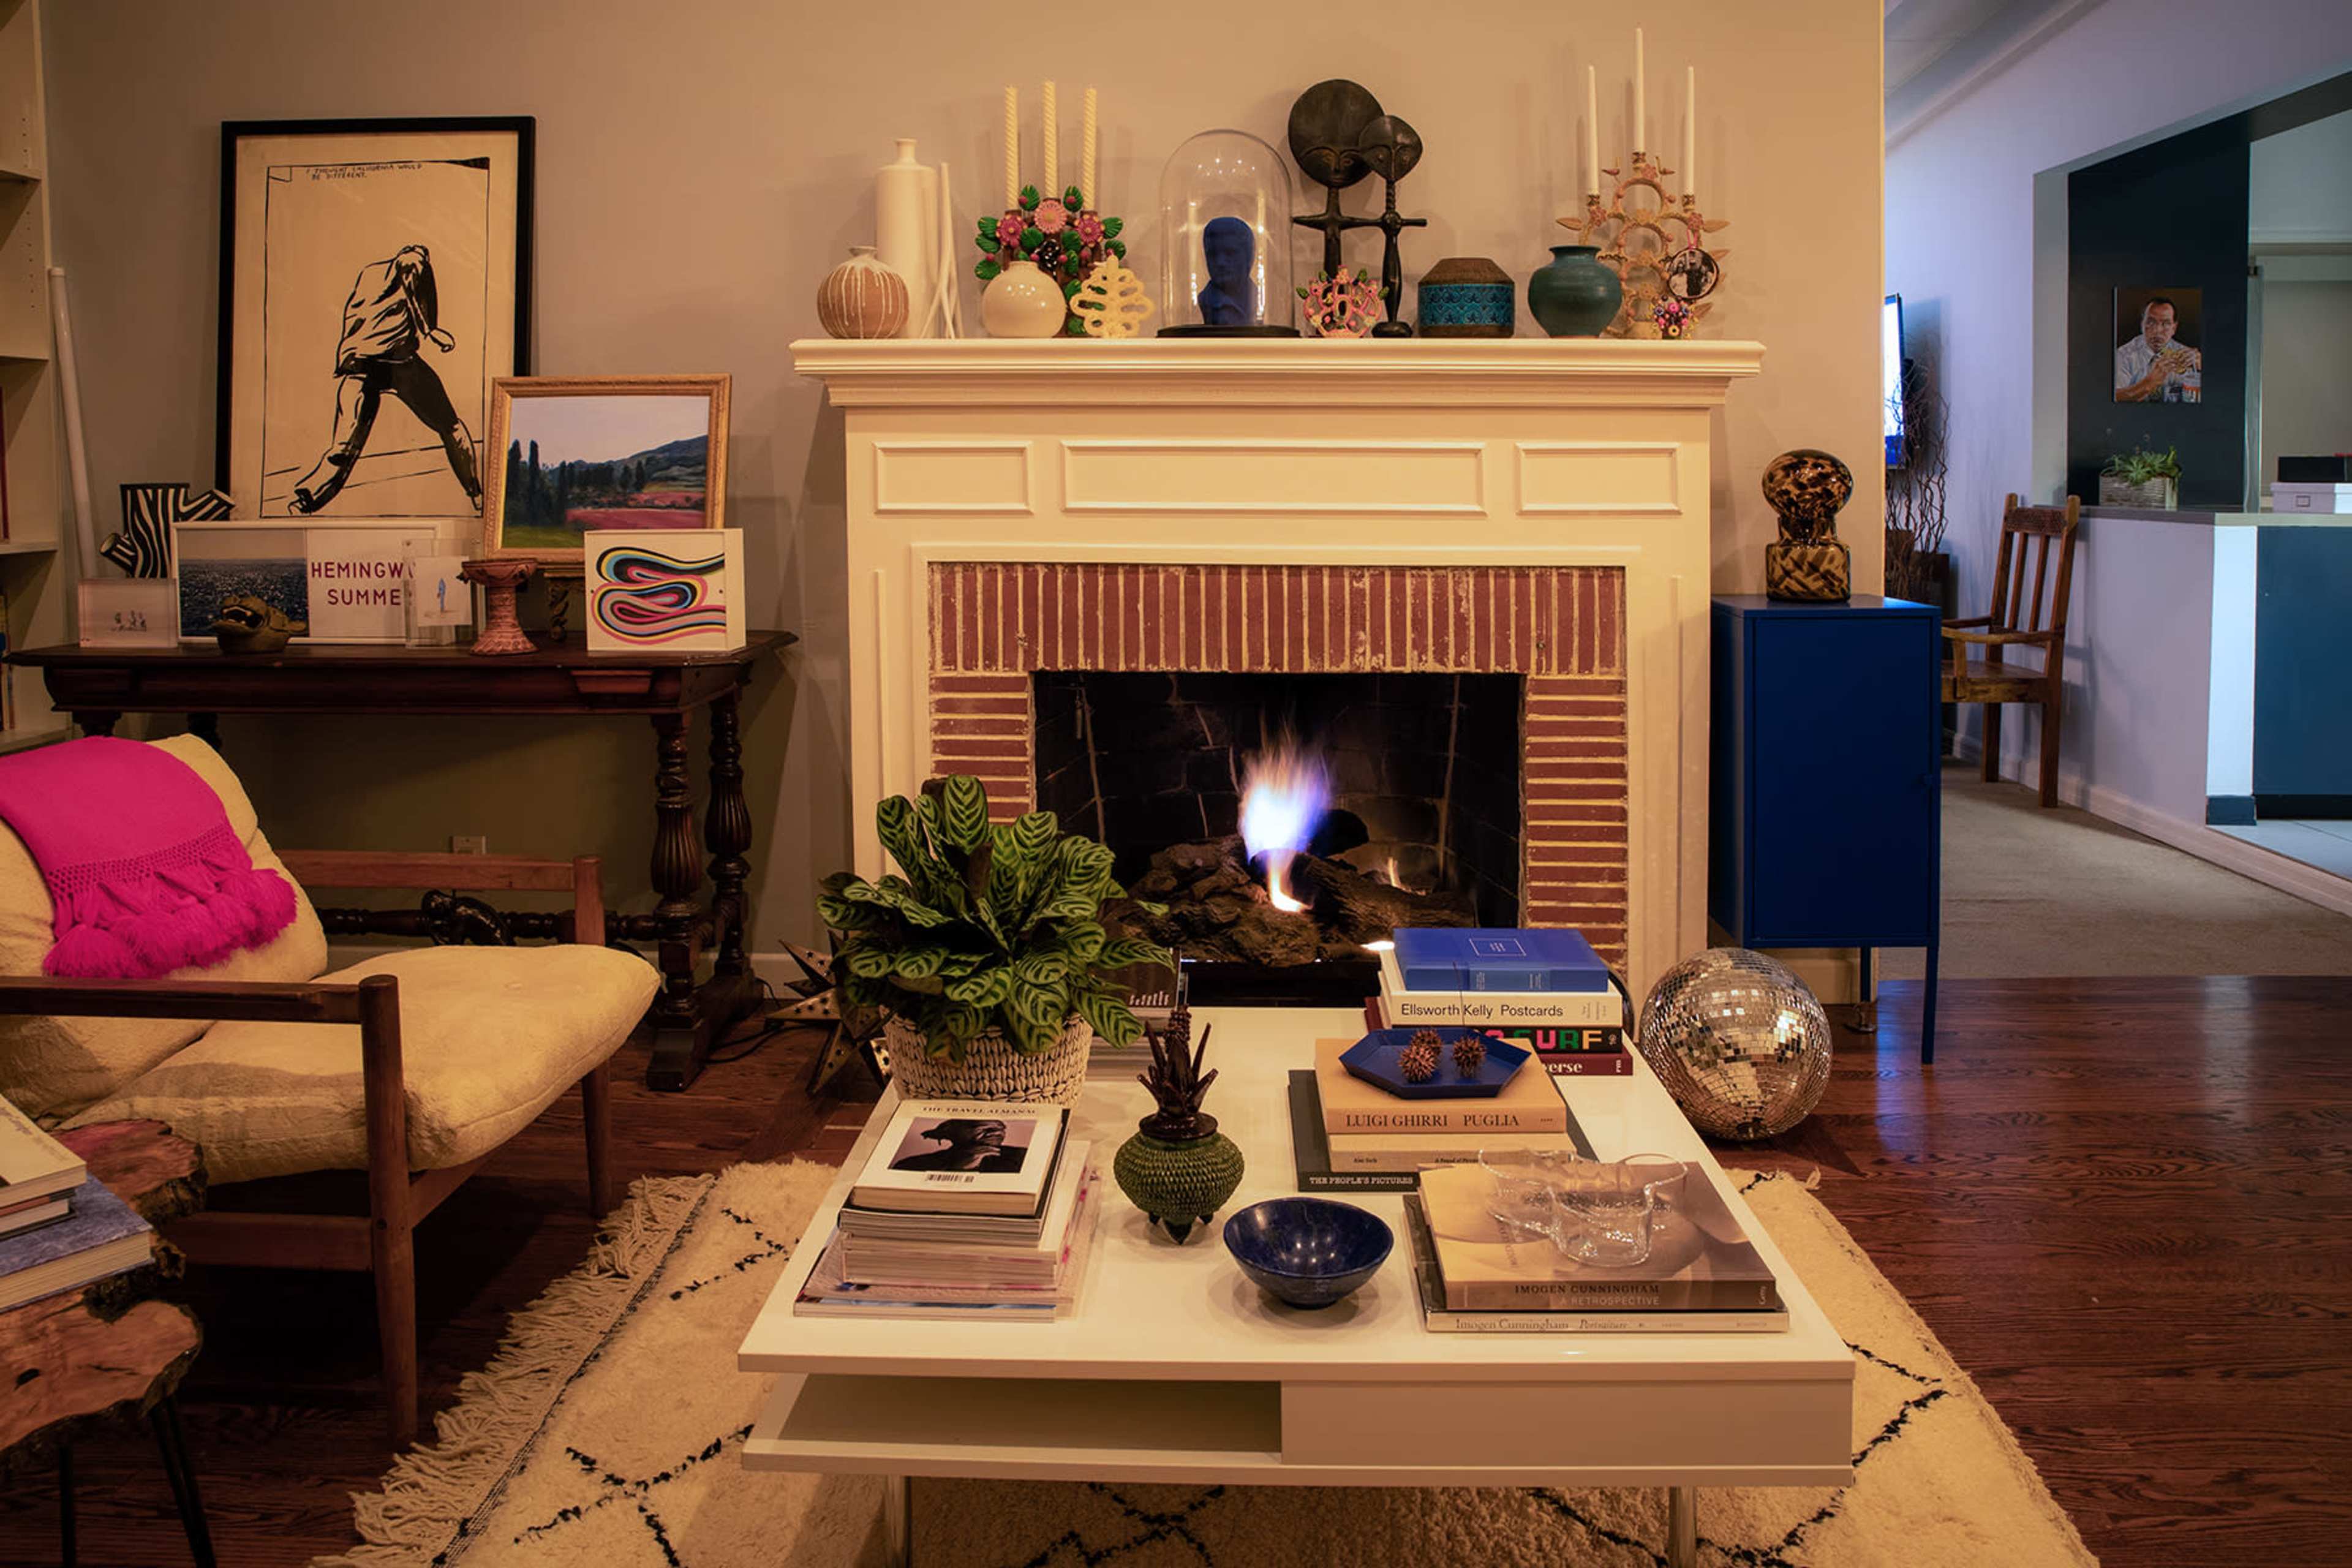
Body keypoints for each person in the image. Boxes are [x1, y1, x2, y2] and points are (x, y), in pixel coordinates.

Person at [291, 245, 484, 513]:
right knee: (450, 427)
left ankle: (306, 502)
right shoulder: (412, 260)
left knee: (344, 448)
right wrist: (430, 331)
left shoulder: (370, 274)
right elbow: (410, 277)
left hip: (361, 362)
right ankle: (478, 496)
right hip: (396, 364)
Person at [2115, 296, 2201, 404]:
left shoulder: (2188, 356)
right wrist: (2150, 383)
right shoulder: (2123, 355)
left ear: (2174, 328)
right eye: (2151, 322)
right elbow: (2115, 397)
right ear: (2142, 324)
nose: (2157, 331)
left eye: (2166, 324)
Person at [889, 1118, 1028, 1174]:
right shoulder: (912, 1165)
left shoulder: (1023, 1157)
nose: (996, 1132)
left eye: (1000, 1127)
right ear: (951, 1131)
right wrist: (962, 1169)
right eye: (975, 1127)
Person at [1196, 216, 1257, 328]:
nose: (1220, 263)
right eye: (1213, 254)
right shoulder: (1205, 301)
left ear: (1249, 257)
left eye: (1230, 253)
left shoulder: (1257, 298)